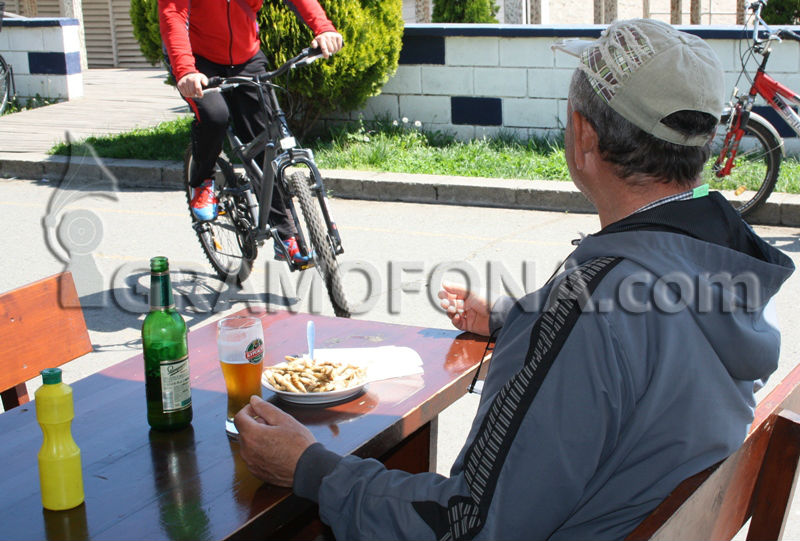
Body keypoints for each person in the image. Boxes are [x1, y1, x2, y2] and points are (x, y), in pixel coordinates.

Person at [234, 19, 795, 540]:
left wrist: (311, 467)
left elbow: (469, 524)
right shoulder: (725, 265)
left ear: (583, 136)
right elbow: (651, 361)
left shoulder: (591, 306)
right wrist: (516, 320)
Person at [159, 0, 343, 263]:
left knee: (264, 139)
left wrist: (323, 28)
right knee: (215, 117)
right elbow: (173, 15)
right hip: (197, 60)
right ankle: (202, 182)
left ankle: (285, 235)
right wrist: (186, 70)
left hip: (246, 56)